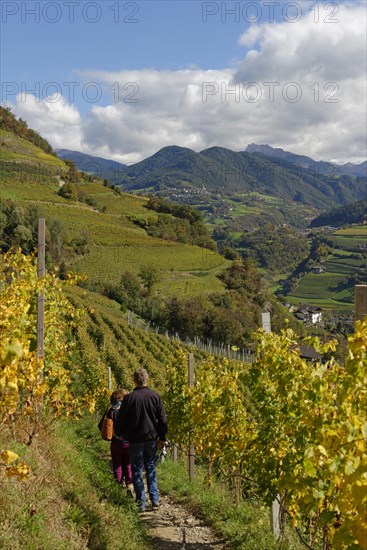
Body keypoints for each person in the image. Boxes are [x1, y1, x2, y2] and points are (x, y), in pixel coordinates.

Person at [116, 368, 168, 512]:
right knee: (150, 466)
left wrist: (119, 433)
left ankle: (141, 501)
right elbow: (163, 419)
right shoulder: (155, 397)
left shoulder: (129, 398)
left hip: (134, 439)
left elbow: (121, 419)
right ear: (147, 380)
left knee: (137, 468)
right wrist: (163, 437)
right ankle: (155, 499)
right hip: (151, 438)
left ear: (134, 380)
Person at [99, 389, 133, 494]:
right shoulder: (129, 408)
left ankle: (118, 487)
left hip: (115, 441)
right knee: (128, 464)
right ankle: (129, 486)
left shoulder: (111, 409)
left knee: (117, 464)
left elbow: (101, 425)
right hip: (129, 441)